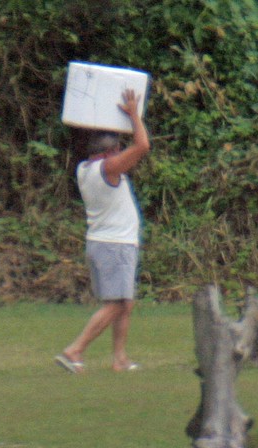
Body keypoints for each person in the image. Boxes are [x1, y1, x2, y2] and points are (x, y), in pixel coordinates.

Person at [55, 89, 150, 374]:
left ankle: (119, 358)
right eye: (119, 150)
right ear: (110, 153)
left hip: (105, 243)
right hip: (115, 244)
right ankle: (75, 350)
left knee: (125, 302)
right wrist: (134, 116)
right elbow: (143, 145)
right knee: (117, 304)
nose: (123, 155)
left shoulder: (84, 168)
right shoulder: (108, 168)